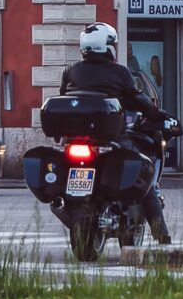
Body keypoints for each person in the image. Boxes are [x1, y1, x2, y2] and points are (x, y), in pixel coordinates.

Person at [60, 22, 171, 243]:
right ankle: (161, 234)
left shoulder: (71, 71)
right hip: (112, 139)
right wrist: (160, 115)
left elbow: (65, 97)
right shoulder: (119, 72)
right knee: (145, 174)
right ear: (107, 46)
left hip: (74, 139)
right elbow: (139, 100)